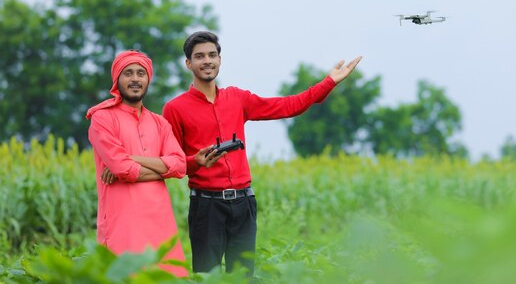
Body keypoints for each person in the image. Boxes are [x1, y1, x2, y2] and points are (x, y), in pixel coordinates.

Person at [162, 31, 362, 276]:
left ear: (220, 60)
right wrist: (196, 162)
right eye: (200, 56)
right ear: (188, 63)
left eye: (212, 55)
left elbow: (288, 106)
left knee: (243, 277)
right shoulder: (175, 109)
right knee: (206, 277)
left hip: (244, 203)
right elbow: (173, 163)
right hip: (206, 206)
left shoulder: (237, 99)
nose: (207, 61)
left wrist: (328, 83)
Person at [86, 50, 188, 277]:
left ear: (148, 79)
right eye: (128, 73)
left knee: (167, 278)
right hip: (122, 223)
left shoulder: (160, 123)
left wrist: (132, 158)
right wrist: (162, 170)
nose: (135, 79)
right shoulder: (102, 118)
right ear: (117, 80)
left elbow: (181, 165)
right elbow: (122, 168)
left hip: (160, 221)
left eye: (141, 73)